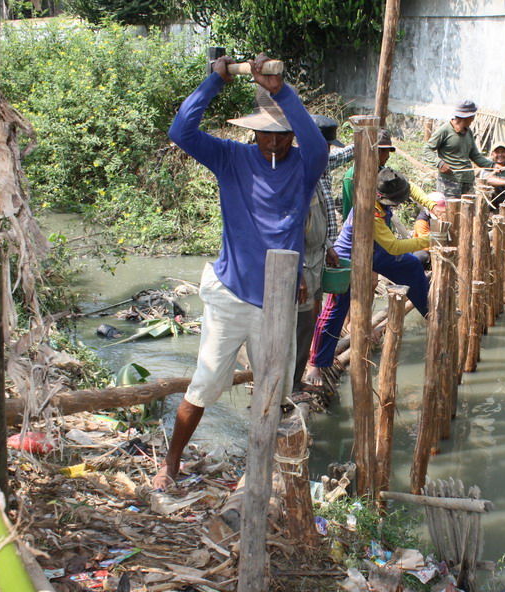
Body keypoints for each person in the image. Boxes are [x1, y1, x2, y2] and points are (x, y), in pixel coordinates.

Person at [153, 54, 327, 491]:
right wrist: (214, 82)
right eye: (265, 135)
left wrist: (280, 91)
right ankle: (171, 465)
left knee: (273, 395)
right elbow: (181, 132)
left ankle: (259, 474)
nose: (273, 144)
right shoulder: (231, 158)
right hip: (230, 295)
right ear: (251, 132)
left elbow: (319, 145)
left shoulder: (305, 169)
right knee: (205, 385)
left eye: (281, 135)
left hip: (277, 303)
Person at [306, 168, 437, 386]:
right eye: (397, 202)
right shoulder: (370, 212)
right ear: (383, 198)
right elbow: (394, 246)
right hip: (350, 258)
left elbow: (411, 187)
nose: (400, 204)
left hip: (376, 252)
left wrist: (433, 206)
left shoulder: (384, 186)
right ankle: (316, 363)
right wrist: (429, 240)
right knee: (334, 311)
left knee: (412, 265)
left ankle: (431, 314)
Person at [292, 116, 354, 394]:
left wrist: (329, 245)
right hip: (301, 258)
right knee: (301, 318)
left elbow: (322, 215)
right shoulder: (298, 170)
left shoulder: (321, 163)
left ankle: (301, 372)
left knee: (313, 312)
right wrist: (296, 271)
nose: (328, 152)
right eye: (325, 146)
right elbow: (289, 228)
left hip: (319, 251)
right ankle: (294, 379)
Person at [425, 100, 495, 197]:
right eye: (473, 116)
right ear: (468, 117)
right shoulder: (445, 130)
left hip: (467, 181)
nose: (473, 119)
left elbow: (475, 155)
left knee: (468, 211)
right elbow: (427, 149)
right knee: (448, 211)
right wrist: (440, 163)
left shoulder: (468, 132)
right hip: (449, 182)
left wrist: (492, 166)